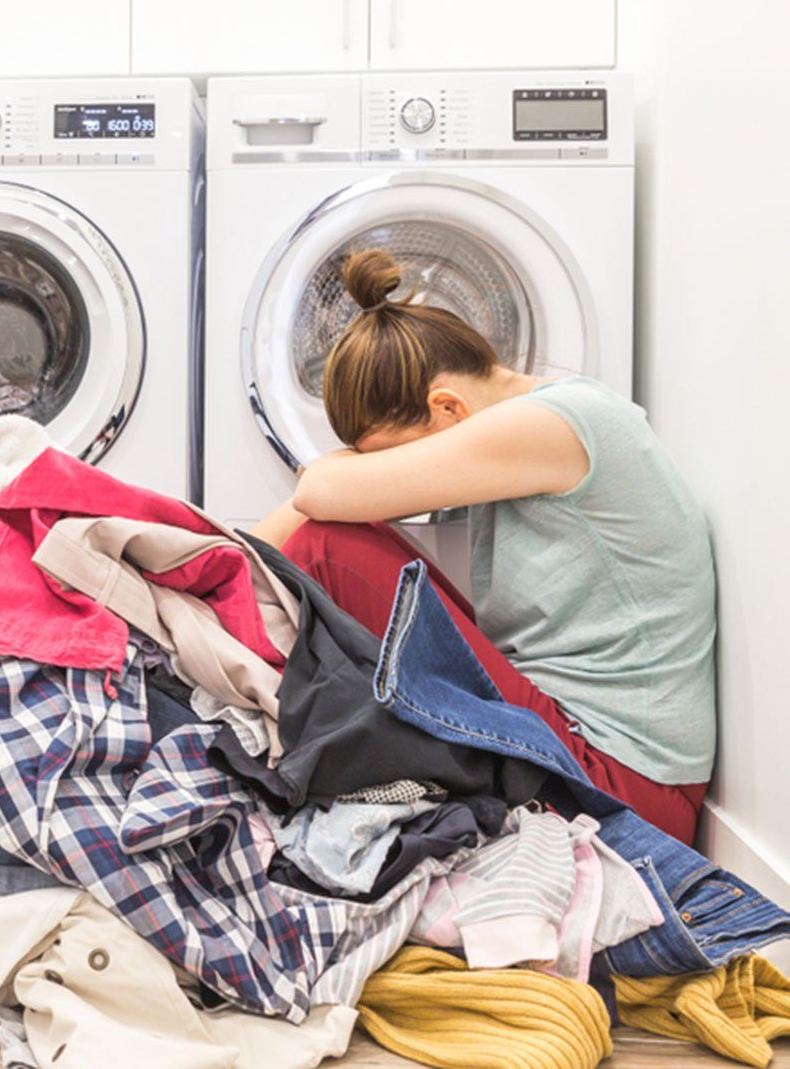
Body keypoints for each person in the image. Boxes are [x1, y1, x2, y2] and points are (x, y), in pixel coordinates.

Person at [250, 248, 716, 844]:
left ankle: (206, 625)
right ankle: (212, 580)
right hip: (592, 752)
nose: (404, 469)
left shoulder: (553, 425)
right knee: (335, 537)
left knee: (330, 543)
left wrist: (231, 560)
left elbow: (318, 491)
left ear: (446, 407)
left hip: (620, 785)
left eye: (396, 453)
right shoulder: (558, 408)